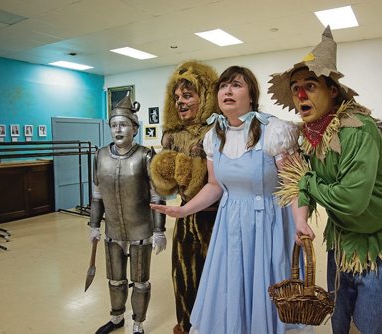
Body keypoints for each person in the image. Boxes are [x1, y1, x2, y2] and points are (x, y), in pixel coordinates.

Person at [269, 26, 382, 334]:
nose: (301, 94)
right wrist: (301, 219)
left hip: (380, 247)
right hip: (341, 246)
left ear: (332, 90)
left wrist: (308, 183)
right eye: (295, 88)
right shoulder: (309, 136)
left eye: (310, 85)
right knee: (341, 325)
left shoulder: (357, 129)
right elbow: (299, 178)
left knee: (370, 328)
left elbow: (351, 200)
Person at [152, 65, 313, 334]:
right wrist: (184, 211)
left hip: (269, 225)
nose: (228, 90)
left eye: (236, 85)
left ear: (251, 95)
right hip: (230, 226)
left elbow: (295, 184)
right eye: (223, 86)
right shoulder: (213, 137)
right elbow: (215, 186)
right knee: (232, 289)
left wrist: (300, 220)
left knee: (267, 291)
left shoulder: (274, 131)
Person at [149, 61, 219, 334]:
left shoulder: (217, 131)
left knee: (213, 278)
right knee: (183, 278)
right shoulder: (172, 135)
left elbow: (219, 181)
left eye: (188, 96)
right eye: (177, 97)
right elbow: (164, 186)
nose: (181, 102)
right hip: (184, 218)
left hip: (214, 219)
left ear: (205, 97)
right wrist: (165, 168)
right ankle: (186, 326)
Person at [89, 96, 167, 334]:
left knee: (140, 281)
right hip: (113, 229)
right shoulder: (100, 156)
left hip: (141, 229)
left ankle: (138, 323)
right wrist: (94, 225)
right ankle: (116, 318)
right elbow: (97, 194)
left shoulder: (145, 156)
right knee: (115, 279)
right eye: (114, 125)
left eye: (123, 125)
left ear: (135, 128)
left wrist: (159, 230)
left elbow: (157, 196)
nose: (118, 130)